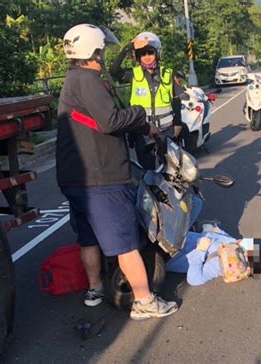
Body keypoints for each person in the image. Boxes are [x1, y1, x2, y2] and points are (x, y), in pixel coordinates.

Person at [56, 23, 178, 320]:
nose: (103, 57)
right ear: (92, 51)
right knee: (125, 243)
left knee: (88, 238)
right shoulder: (88, 80)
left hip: (76, 178)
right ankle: (145, 301)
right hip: (101, 178)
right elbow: (110, 121)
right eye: (101, 51)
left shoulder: (73, 79)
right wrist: (138, 113)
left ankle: (95, 290)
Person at [109, 31, 184, 170]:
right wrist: (128, 47)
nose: (147, 57)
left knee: (172, 170)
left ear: (157, 53)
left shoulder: (168, 73)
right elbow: (114, 71)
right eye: (143, 54)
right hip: (143, 131)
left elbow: (177, 98)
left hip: (166, 130)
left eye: (150, 52)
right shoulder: (134, 74)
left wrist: (178, 123)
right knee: (148, 172)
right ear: (138, 57)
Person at [166, 224, 261, 285]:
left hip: (170, 250)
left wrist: (200, 251)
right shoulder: (234, 246)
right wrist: (215, 229)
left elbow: (194, 279)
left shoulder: (222, 263)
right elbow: (224, 237)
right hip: (182, 236)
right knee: (196, 203)